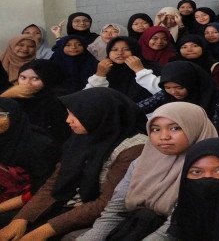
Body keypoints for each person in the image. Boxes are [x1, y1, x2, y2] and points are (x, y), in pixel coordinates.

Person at [0, 88, 147, 239]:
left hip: (105, 216)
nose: (68, 120)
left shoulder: (133, 148)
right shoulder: (84, 135)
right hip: (71, 203)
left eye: (75, 115)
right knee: (8, 224)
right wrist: (21, 218)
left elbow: (106, 203)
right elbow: (55, 183)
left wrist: (44, 231)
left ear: (98, 114)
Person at [80, 102, 217, 240]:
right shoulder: (141, 162)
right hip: (138, 228)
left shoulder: (210, 168)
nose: (164, 136)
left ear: (195, 127)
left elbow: (174, 228)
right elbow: (114, 211)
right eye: (155, 129)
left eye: (175, 128)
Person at [0, 98, 59, 227]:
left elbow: (40, 191)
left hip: (31, 203)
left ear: (14, 115)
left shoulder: (40, 145)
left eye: (1, 115)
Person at [2, 60, 70, 146]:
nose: (27, 83)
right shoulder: (12, 97)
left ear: (49, 79)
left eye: (35, 78)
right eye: (23, 77)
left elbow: (60, 134)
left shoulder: (57, 102)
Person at [87, 36, 161, 103]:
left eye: (126, 49)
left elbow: (163, 92)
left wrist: (139, 70)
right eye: (114, 49)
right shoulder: (102, 68)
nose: (120, 53)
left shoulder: (154, 67)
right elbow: (88, 96)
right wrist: (100, 75)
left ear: (135, 50)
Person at [138, 61, 219, 115]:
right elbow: (138, 108)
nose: (173, 92)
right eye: (167, 87)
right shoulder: (165, 94)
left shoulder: (217, 97)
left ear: (192, 83)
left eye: (180, 87)